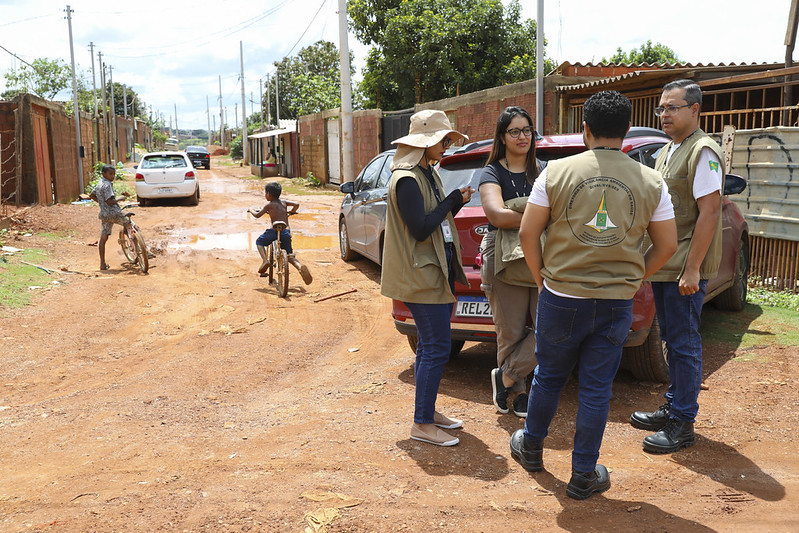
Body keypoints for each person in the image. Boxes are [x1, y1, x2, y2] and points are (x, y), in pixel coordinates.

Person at [511, 90, 677, 500]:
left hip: (561, 296)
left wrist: (540, 278)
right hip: (616, 301)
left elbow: (528, 233)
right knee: (597, 388)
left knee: (549, 376)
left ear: (584, 130)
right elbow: (668, 245)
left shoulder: (555, 173)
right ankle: (584, 474)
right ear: (626, 131)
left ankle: (531, 447)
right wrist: (637, 276)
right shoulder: (652, 180)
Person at [630, 79, 725, 454]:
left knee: (684, 344)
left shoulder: (704, 151)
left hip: (684, 268)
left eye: (672, 107)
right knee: (671, 340)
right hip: (666, 265)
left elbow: (710, 211)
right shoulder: (667, 151)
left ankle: (683, 422)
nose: (664, 114)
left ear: (695, 109)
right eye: (661, 108)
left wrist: (693, 268)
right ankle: (673, 405)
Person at [380, 109, 474, 447]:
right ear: (425, 142)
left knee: (430, 350)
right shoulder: (406, 178)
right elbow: (420, 229)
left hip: (434, 270)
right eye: (442, 140)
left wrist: (456, 202)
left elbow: (435, 221)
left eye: (448, 140)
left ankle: (428, 412)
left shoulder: (426, 172)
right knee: (435, 349)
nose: (447, 145)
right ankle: (421, 423)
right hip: (421, 275)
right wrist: (452, 199)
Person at [479, 106, 541, 418]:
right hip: (502, 255)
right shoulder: (491, 172)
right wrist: (536, 213)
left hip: (539, 253)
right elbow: (497, 216)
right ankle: (518, 394)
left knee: (551, 328)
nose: (522, 136)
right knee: (511, 331)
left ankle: (504, 377)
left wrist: (518, 212)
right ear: (502, 137)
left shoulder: (542, 171)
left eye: (527, 130)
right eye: (514, 131)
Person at [247, 182, 313, 285]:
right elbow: (297, 204)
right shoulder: (284, 202)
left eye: (265, 193)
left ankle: (265, 261)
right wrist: (292, 211)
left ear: (269, 194)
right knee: (290, 256)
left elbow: (257, 215)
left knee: (259, 242)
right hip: (285, 232)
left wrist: (251, 210)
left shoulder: (269, 205)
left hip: (274, 231)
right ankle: (300, 268)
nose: (265, 195)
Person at [89, 164, 131, 271]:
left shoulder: (99, 184)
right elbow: (109, 201)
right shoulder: (107, 185)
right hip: (114, 213)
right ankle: (142, 250)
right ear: (104, 174)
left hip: (105, 215)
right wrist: (120, 199)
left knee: (103, 238)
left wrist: (101, 203)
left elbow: (91, 195)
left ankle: (102, 264)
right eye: (110, 174)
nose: (113, 176)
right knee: (131, 225)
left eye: (114, 174)